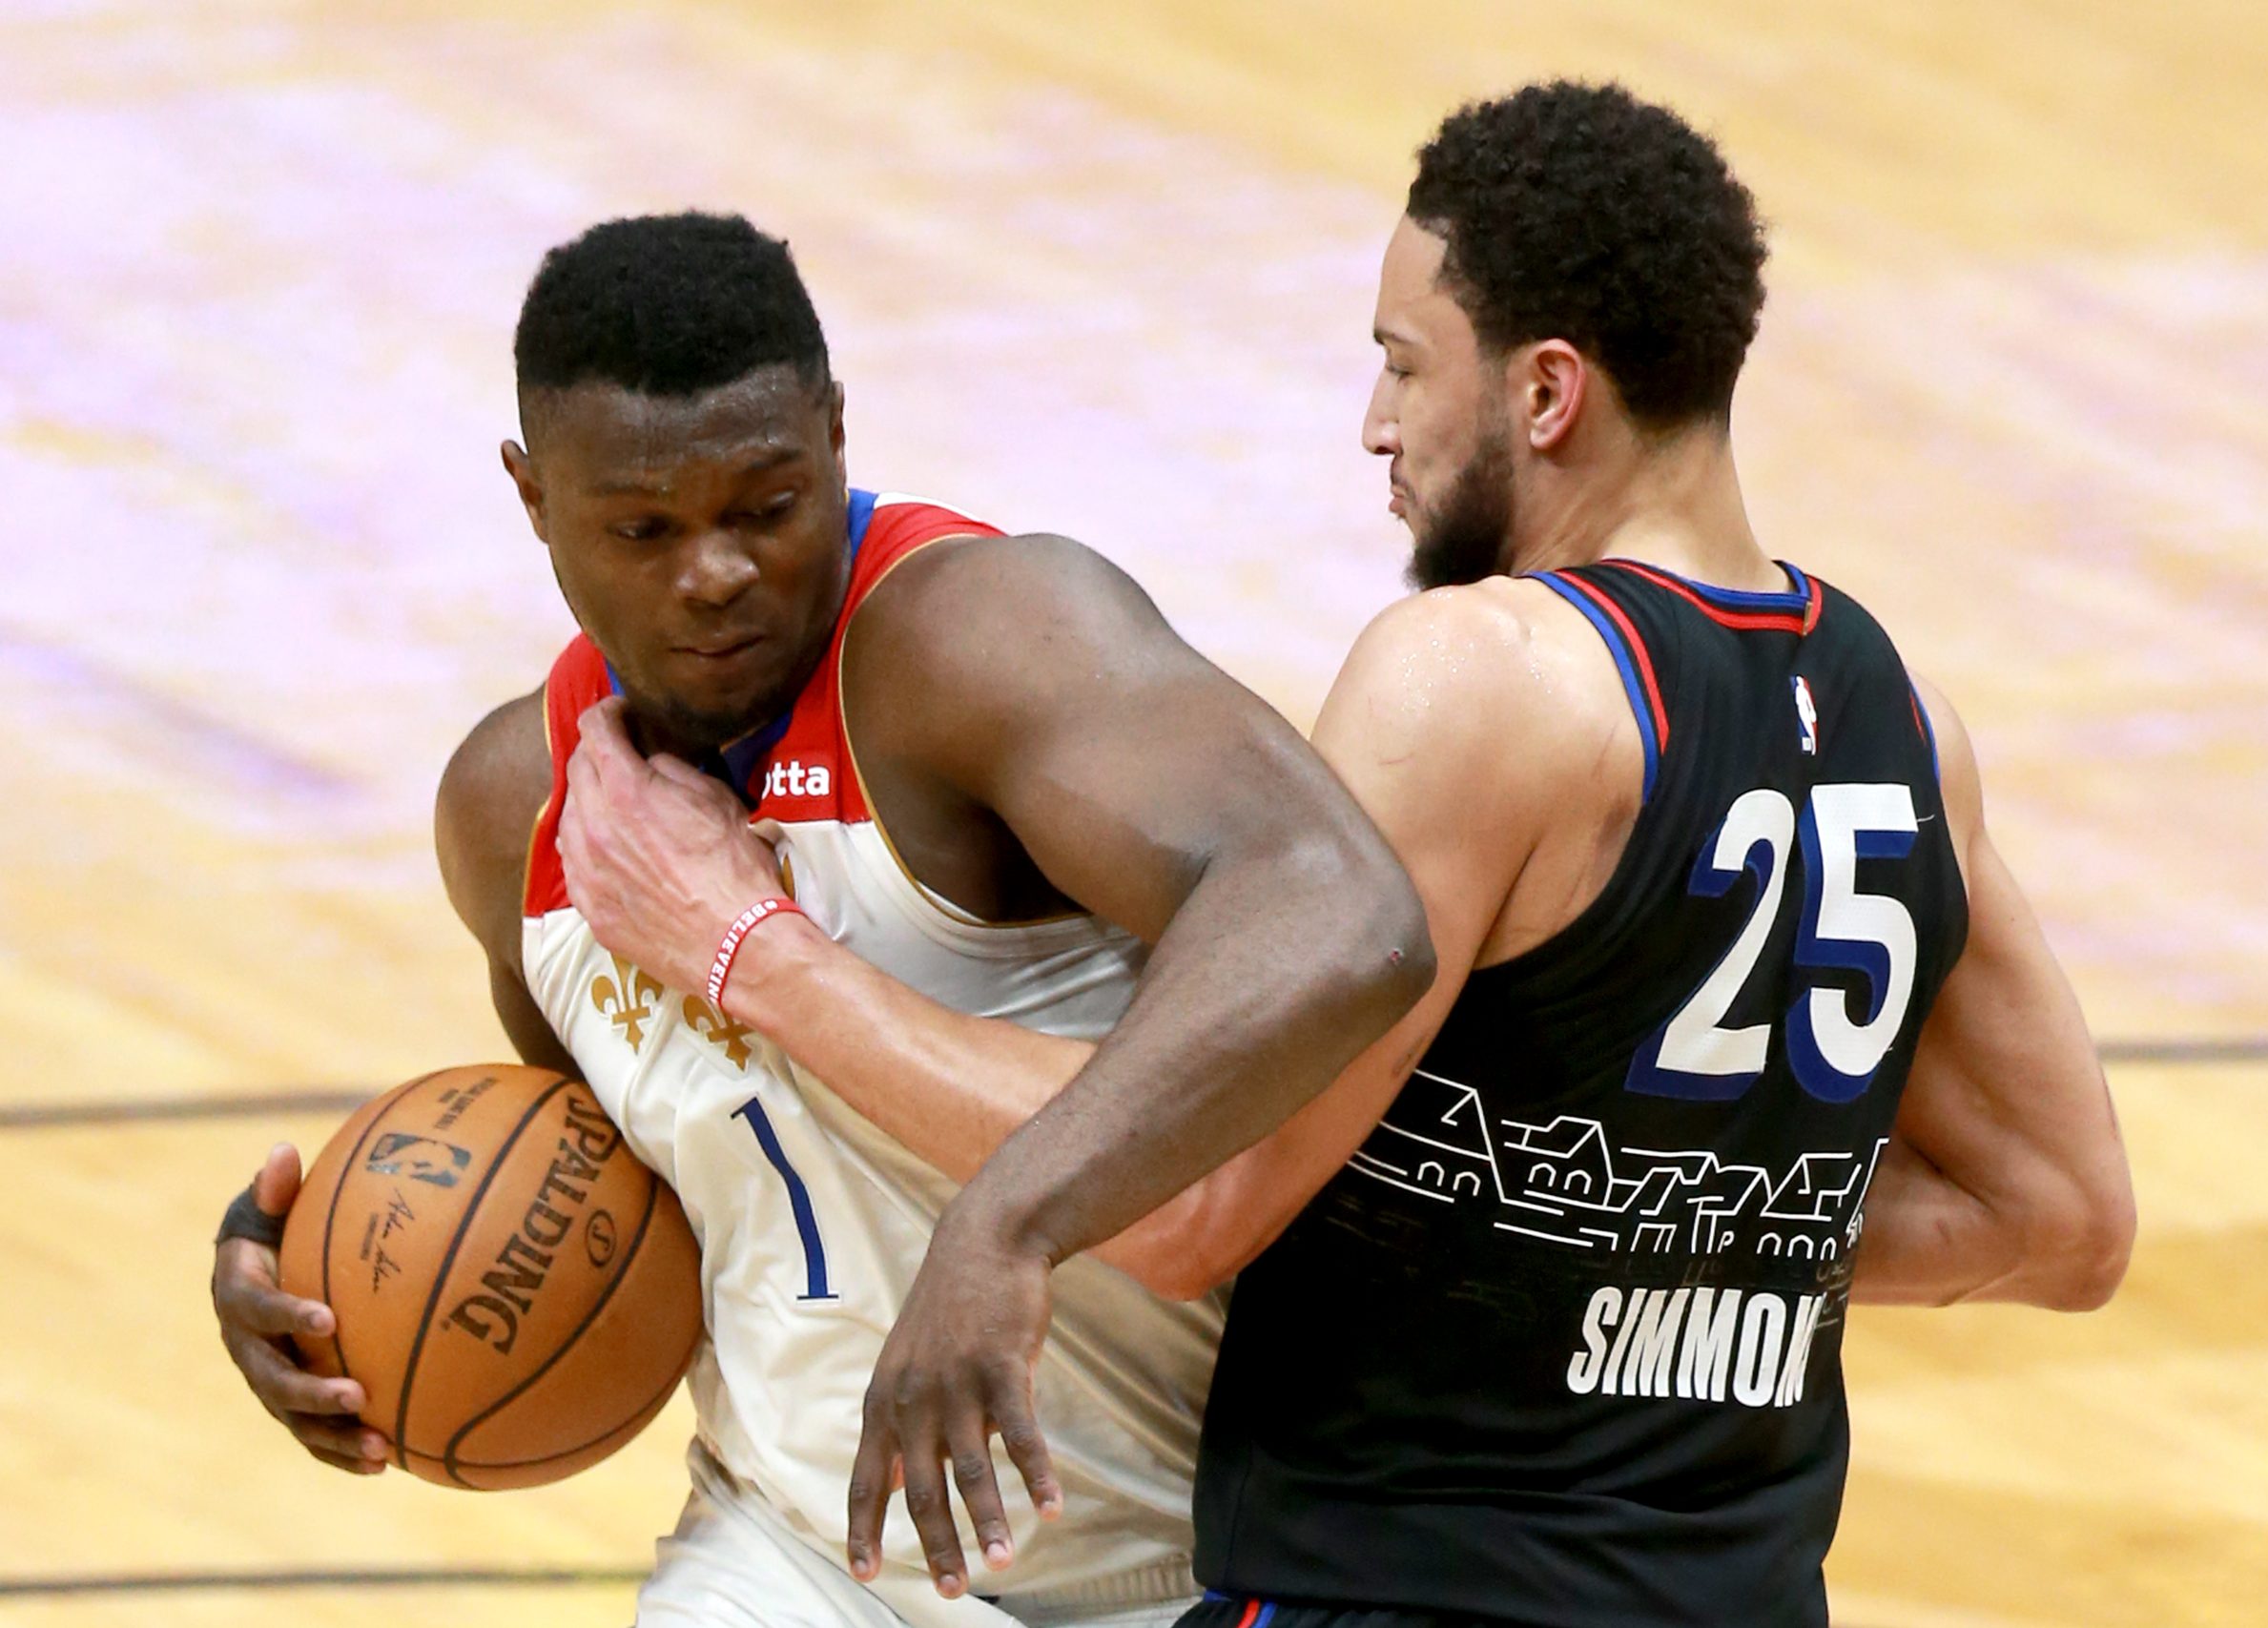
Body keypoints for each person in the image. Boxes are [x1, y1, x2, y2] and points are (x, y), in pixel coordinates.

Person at [572, 85, 2137, 1624]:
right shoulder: (1904, 720)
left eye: (1403, 368)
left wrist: (750, 954)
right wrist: (1672, 1250)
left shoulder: (1483, 679)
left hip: (1399, 1588)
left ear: (1545, 396)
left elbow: (1194, 1197)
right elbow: (2060, 1215)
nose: (1376, 426)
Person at [208, 210, 1435, 1628]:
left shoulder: (975, 643)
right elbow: (627, 1205)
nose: (716, 569)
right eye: (643, 528)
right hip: (788, 1553)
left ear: (840, 437)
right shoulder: (510, 815)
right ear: (533, 498)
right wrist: (328, 1296)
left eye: (767, 506)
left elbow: (1342, 907)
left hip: (1175, 1571)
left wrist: (1006, 1224)